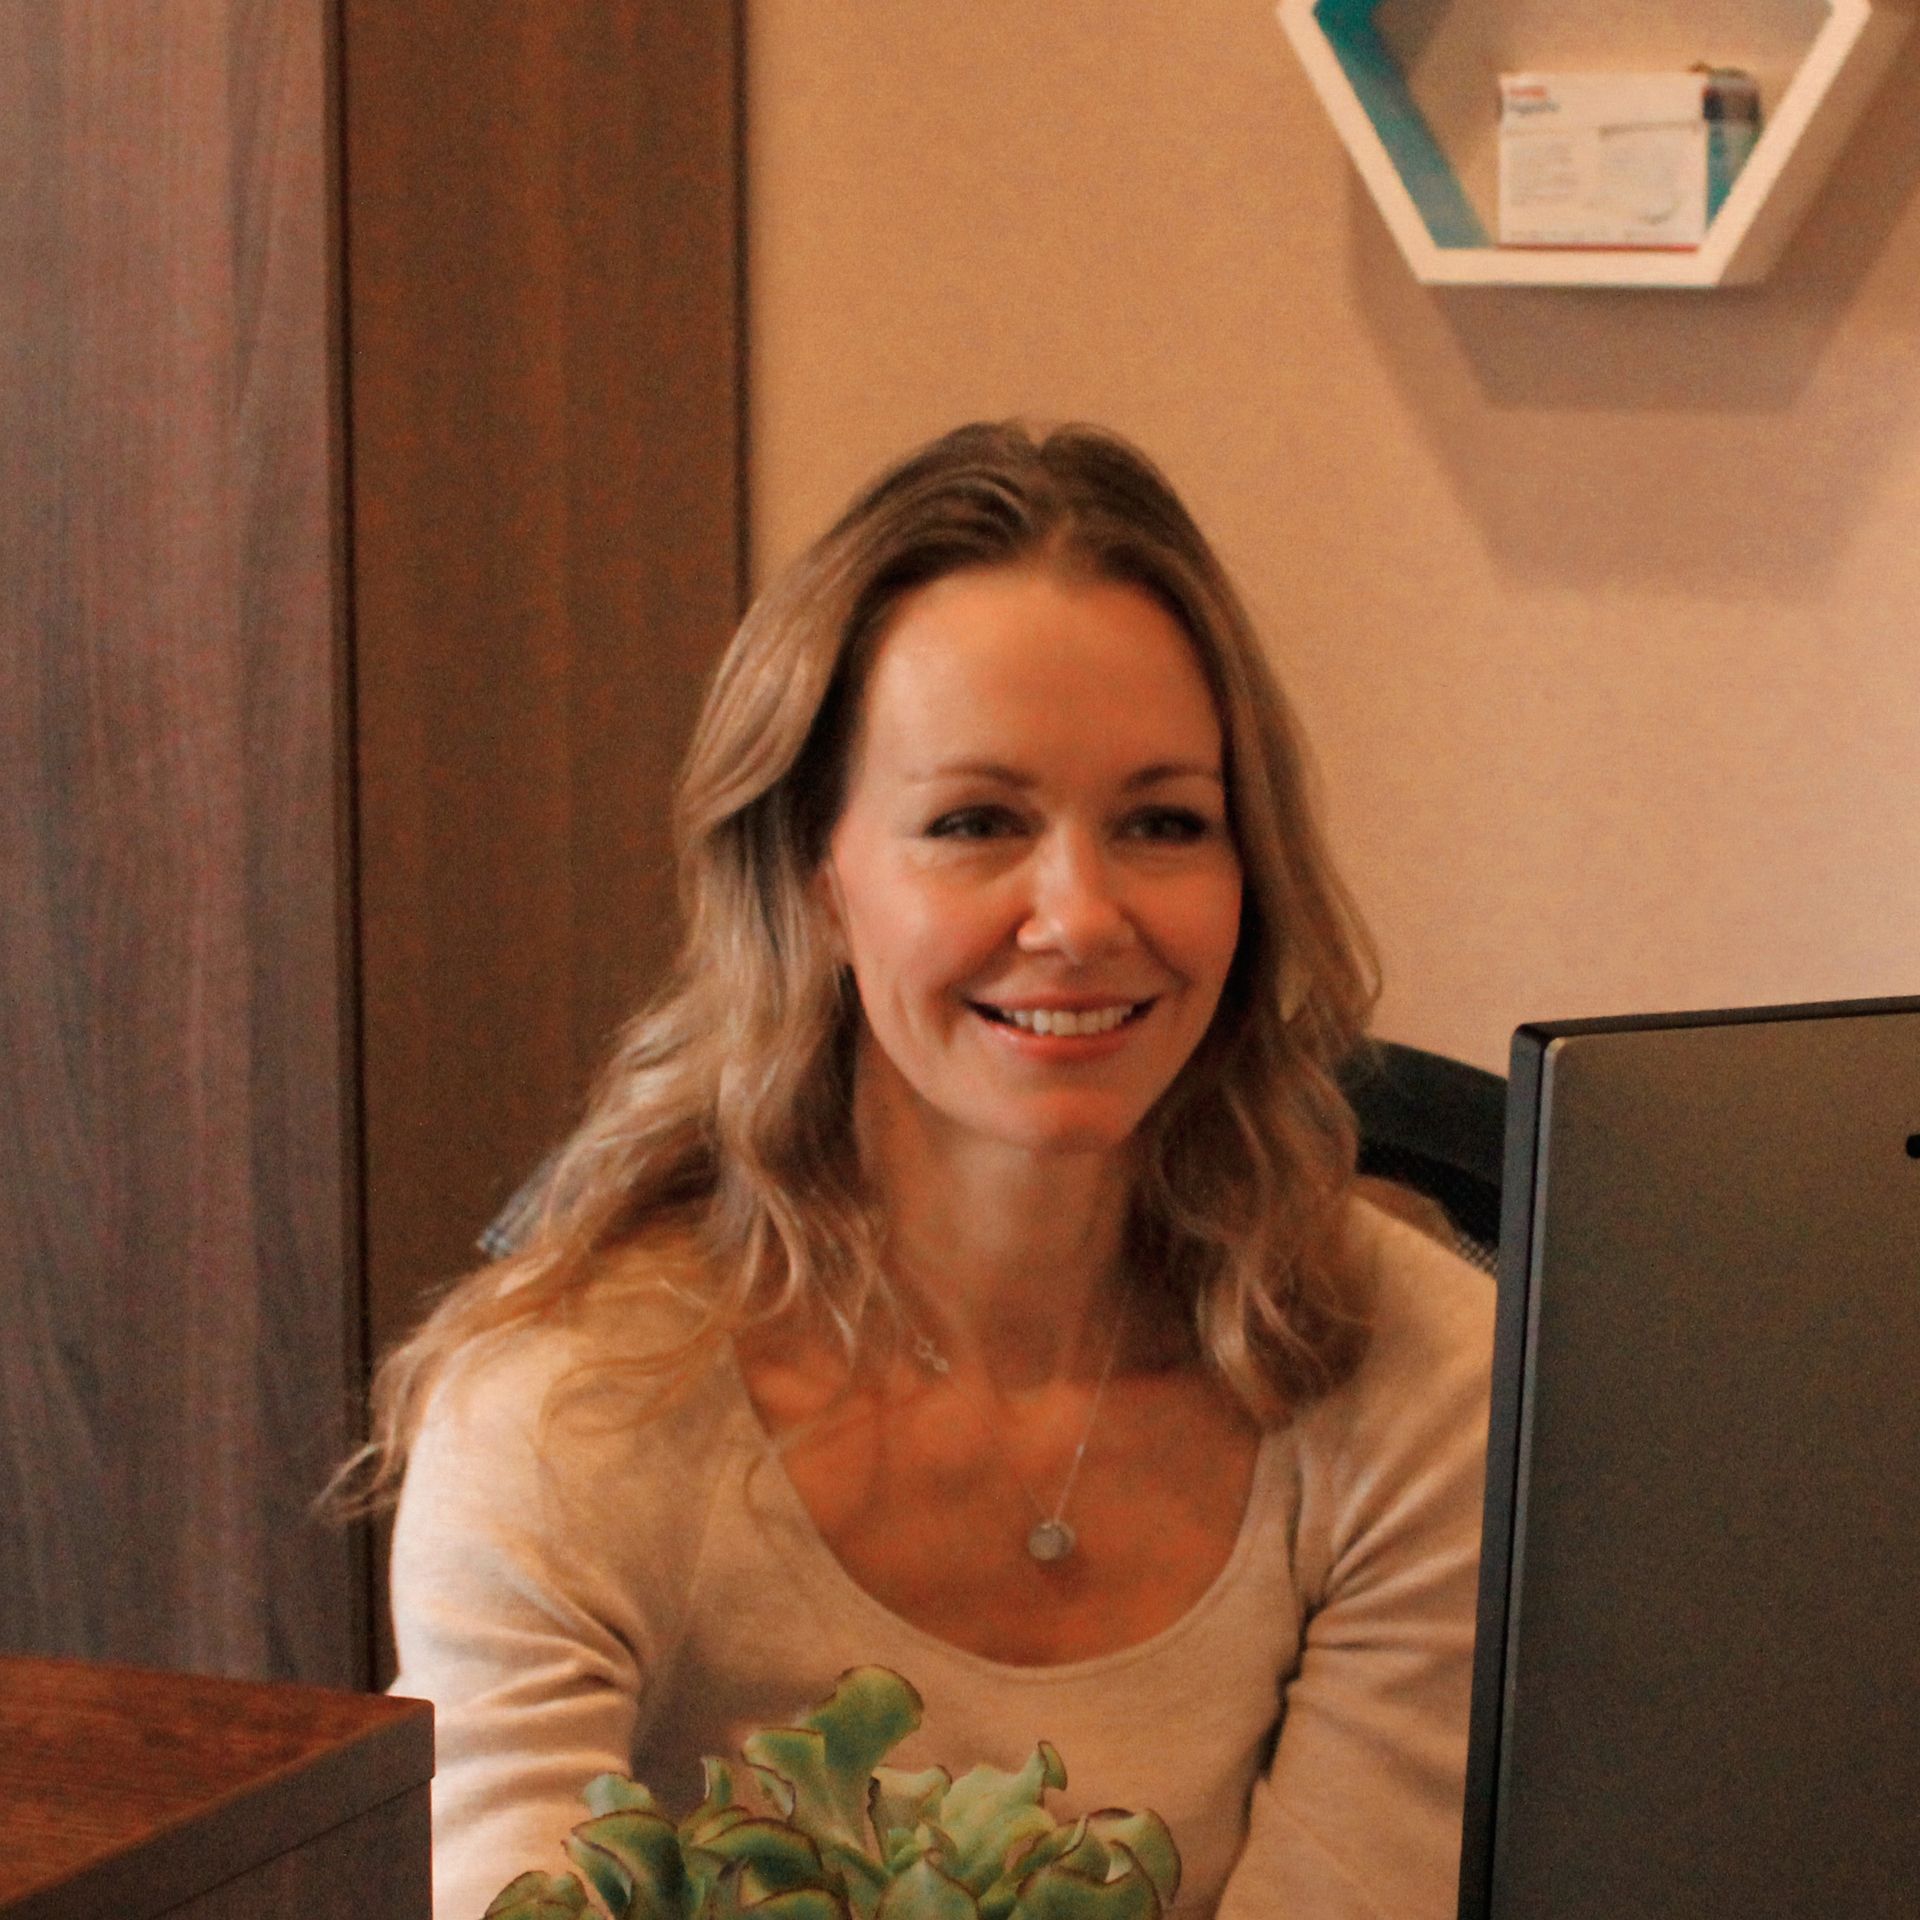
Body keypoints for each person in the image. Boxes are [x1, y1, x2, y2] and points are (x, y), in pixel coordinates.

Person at [350, 421, 1493, 1920]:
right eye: (976, 823)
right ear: (814, 876)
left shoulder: (1418, 1375)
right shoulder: (562, 1414)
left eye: (1163, 822)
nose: (1080, 914)